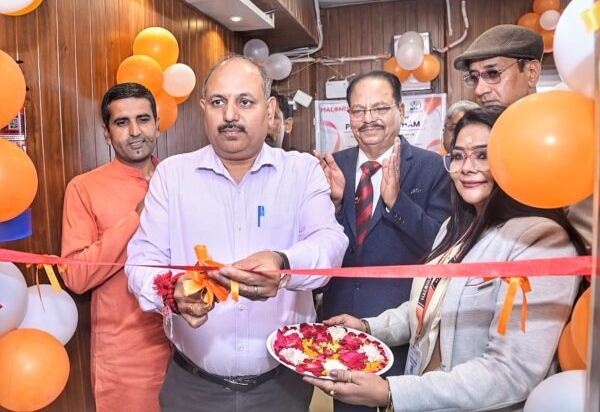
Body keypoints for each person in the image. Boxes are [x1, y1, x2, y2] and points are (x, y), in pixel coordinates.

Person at [304, 107, 586, 411]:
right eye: (459, 156)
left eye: (483, 155)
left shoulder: (540, 241)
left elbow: (511, 372)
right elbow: (431, 306)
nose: (467, 168)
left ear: (515, 159)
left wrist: (391, 392)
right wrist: (368, 327)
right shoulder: (455, 227)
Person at [125, 55, 348, 412]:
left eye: (245, 101)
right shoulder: (173, 176)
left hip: (283, 388)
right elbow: (141, 261)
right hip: (193, 387)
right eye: (218, 102)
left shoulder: (301, 171)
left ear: (270, 110)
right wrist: (171, 291)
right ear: (203, 109)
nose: (229, 115)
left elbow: (331, 242)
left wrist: (283, 265)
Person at [315, 70, 451, 410]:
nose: (368, 119)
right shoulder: (333, 167)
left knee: (403, 403)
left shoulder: (432, 168)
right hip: (342, 324)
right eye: (358, 110)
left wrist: (396, 203)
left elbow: (441, 247)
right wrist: (334, 206)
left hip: (403, 324)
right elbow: (323, 243)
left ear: (400, 111)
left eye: (379, 108)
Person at [60, 83, 169, 412]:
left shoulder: (177, 179)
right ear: (107, 133)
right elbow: (76, 277)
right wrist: (136, 218)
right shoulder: (84, 188)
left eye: (143, 119)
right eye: (122, 122)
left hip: (193, 348)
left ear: (157, 124)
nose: (135, 132)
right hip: (127, 356)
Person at [454, 23, 593, 252]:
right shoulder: (487, 138)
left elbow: (586, 239)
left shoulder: (566, 132)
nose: (480, 89)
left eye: (492, 74)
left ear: (531, 73)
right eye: (474, 78)